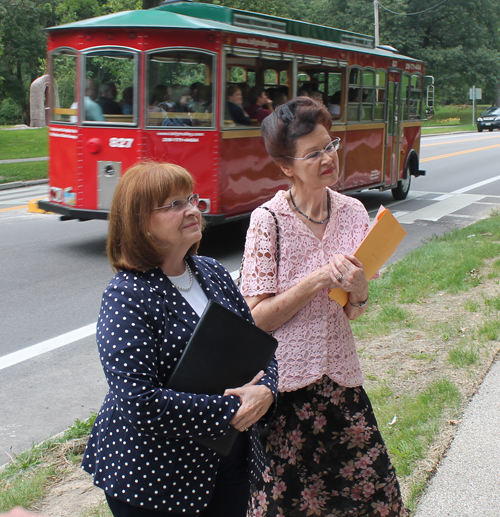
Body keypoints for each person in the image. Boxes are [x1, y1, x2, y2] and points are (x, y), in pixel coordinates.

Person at [240, 97, 408, 517]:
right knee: (291, 506)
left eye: (330, 145)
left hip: (341, 380)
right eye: (313, 153)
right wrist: (316, 280)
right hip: (282, 391)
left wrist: (359, 287)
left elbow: (353, 310)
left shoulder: (353, 212)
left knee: (376, 498)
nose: (328, 157)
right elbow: (256, 319)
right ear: (286, 166)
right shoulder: (268, 220)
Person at [81, 162, 278, 517]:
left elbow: (257, 347)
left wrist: (267, 392)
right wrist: (234, 409)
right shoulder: (127, 295)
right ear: (140, 222)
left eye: (191, 198)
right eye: (174, 204)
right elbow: (139, 401)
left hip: (226, 460)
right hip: (154, 478)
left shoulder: (212, 272)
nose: (192, 210)